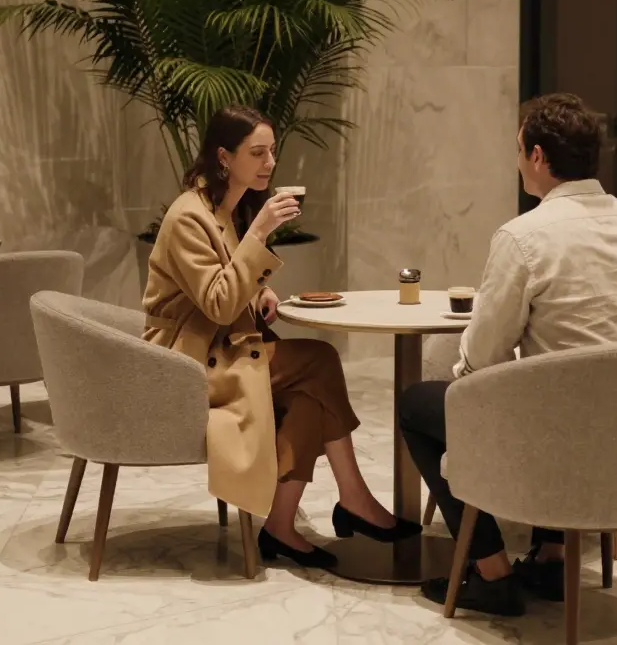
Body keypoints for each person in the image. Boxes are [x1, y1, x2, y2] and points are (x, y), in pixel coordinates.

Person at [399, 93, 617, 616]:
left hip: (558, 439)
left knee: (420, 404)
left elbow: (484, 354)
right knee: (560, 380)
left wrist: (469, 386)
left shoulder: (525, 236)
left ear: (539, 157)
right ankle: (551, 557)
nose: (518, 159)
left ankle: (490, 570)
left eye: (520, 149)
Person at [143, 105, 421, 570]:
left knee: (311, 396)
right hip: (183, 364)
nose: (269, 162)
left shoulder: (222, 208)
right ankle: (353, 499)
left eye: (272, 151)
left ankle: (282, 527)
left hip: (219, 350)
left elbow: (223, 284)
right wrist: (261, 232)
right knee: (319, 360)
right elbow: (218, 304)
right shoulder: (189, 216)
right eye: (257, 153)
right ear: (224, 158)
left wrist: (260, 287)